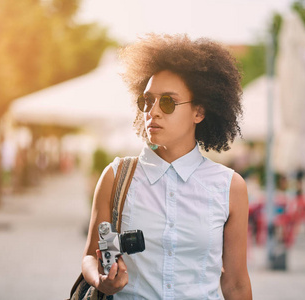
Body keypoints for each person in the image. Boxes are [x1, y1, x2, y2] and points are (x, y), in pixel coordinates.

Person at [82, 33, 252, 300]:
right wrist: (102, 280)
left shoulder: (230, 187)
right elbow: (91, 256)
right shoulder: (116, 177)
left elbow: (236, 284)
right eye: (147, 100)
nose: (153, 111)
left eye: (168, 101)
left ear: (199, 112)